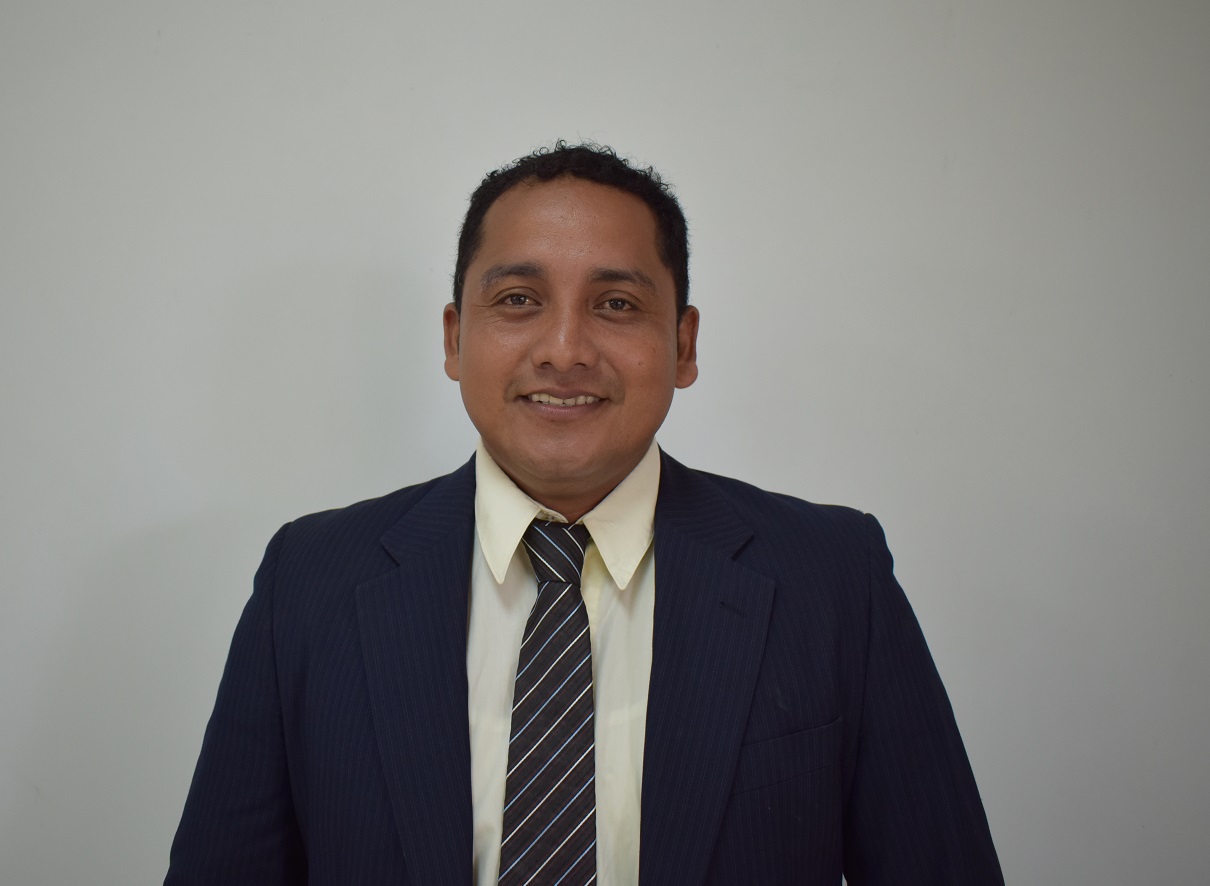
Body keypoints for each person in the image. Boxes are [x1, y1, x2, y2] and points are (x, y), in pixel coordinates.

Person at [166, 142, 1004, 885]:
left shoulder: (832, 577)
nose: (564, 350)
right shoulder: (311, 582)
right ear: (455, 339)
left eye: (616, 305)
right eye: (518, 299)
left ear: (683, 345)